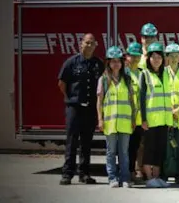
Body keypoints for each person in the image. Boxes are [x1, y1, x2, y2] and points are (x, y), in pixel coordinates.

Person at [57, 33, 103, 185]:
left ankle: (84, 174)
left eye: (92, 43)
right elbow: (62, 84)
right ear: (81, 44)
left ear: (96, 45)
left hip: (90, 108)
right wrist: (71, 99)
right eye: (87, 43)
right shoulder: (71, 62)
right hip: (74, 108)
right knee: (72, 141)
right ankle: (67, 174)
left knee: (86, 142)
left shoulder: (98, 64)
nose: (89, 46)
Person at [96, 46, 136, 188]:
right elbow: (99, 102)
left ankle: (125, 178)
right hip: (110, 122)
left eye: (118, 61)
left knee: (124, 152)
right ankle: (112, 178)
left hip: (125, 123)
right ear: (108, 63)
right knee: (111, 152)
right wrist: (100, 119)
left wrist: (133, 119)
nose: (116, 64)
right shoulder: (104, 80)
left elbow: (132, 101)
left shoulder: (127, 79)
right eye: (113, 61)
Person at [139, 42, 173, 188]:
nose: (157, 60)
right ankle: (149, 177)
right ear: (149, 59)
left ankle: (157, 177)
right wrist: (143, 119)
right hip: (151, 120)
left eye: (159, 57)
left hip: (164, 120)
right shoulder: (145, 74)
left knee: (160, 149)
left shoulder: (166, 74)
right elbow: (141, 98)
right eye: (154, 57)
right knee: (149, 149)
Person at [164, 43, 179, 185]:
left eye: (176, 56)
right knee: (166, 148)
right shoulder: (163, 73)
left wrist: (178, 110)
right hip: (166, 116)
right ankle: (165, 174)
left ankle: (178, 174)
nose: (174, 58)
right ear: (166, 58)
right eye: (171, 56)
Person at [125, 42, 145, 184]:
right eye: (133, 56)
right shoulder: (123, 73)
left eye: (138, 56)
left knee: (134, 147)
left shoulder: (141, 73)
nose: (136, 59)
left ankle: (131, 172)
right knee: (124, 148)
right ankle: (125, 174)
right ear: (127, 56)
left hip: (138, 119)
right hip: (125, 117)